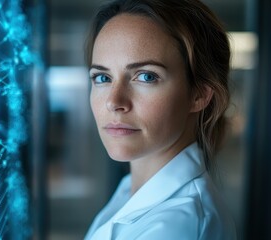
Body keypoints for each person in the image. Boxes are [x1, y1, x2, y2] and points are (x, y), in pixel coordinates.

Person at [84, 0, 237, 239]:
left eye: (145, 76)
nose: (114, 102)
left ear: (199, 94)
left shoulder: (176, 228)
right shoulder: (131, 188)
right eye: (102, 78)